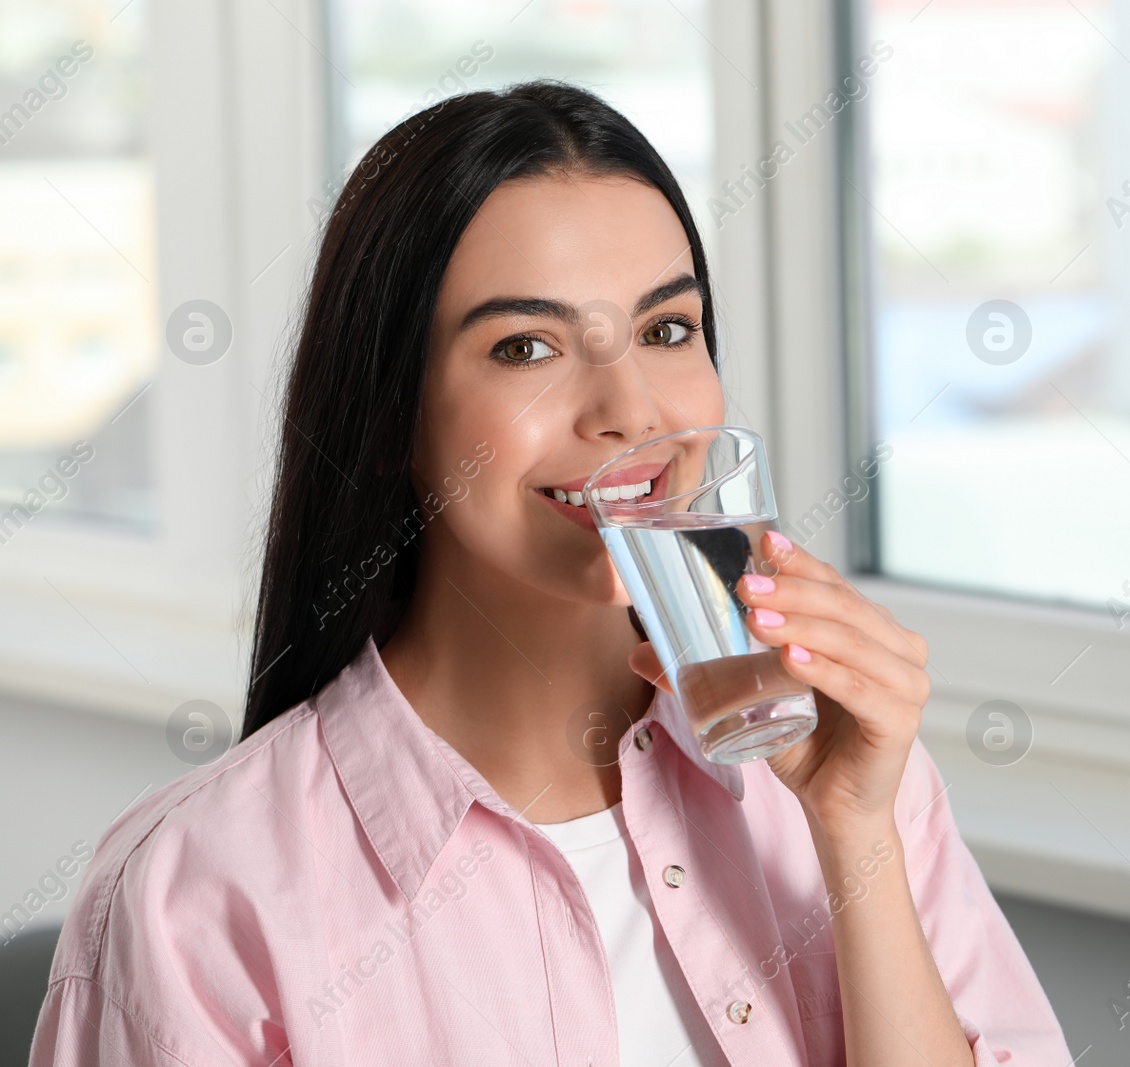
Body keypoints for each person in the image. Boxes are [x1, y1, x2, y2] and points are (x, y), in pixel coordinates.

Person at [29, 82, 1071, 1067]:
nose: (630, 412)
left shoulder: (841, 763)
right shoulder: (191, 894)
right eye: (528, 347)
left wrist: (855, 832)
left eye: (667, 329)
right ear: (391, 413)